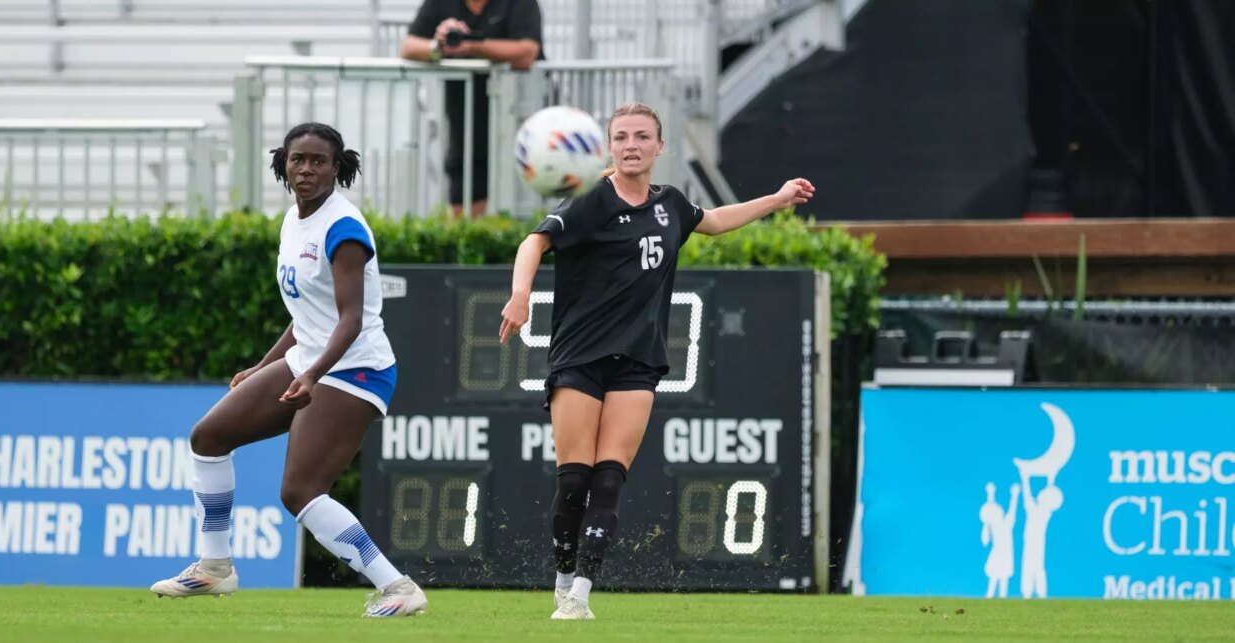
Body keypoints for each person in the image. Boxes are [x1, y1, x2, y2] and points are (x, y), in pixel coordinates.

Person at [498, 102, 815, 620]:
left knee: (609, 478)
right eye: (621, 136)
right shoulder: (591, 201)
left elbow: (712, 221)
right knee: (574, 480)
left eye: (641, 137)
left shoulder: (670, 204)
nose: (631, 145)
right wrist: (520, 295)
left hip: (638, 362)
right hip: (579, 356)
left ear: (659, 147)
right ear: (608, 146)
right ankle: (561, 575)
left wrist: (777, 200)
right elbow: (533, 242)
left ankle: (579, 595)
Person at [150, 122, 427, 618]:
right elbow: (306, 315)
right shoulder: (293, 220)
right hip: (311, 359)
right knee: (208, 437)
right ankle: (215, 568)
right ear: (283, 163)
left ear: (337, 168)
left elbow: (351, 319)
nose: (306, 169)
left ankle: (398, 587)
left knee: (299, 492)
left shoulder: (344, 229)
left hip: (355, 369)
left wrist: (312, 374)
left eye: (319, 161)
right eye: (298, 159)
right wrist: (264, 366)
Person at [400, 0, 544, 217]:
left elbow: (527, 52)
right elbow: (408, 47)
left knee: (526, 199)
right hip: (466, 118)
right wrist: (438, 47)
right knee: (464, 201)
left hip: (521, 114)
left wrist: (472, 46)